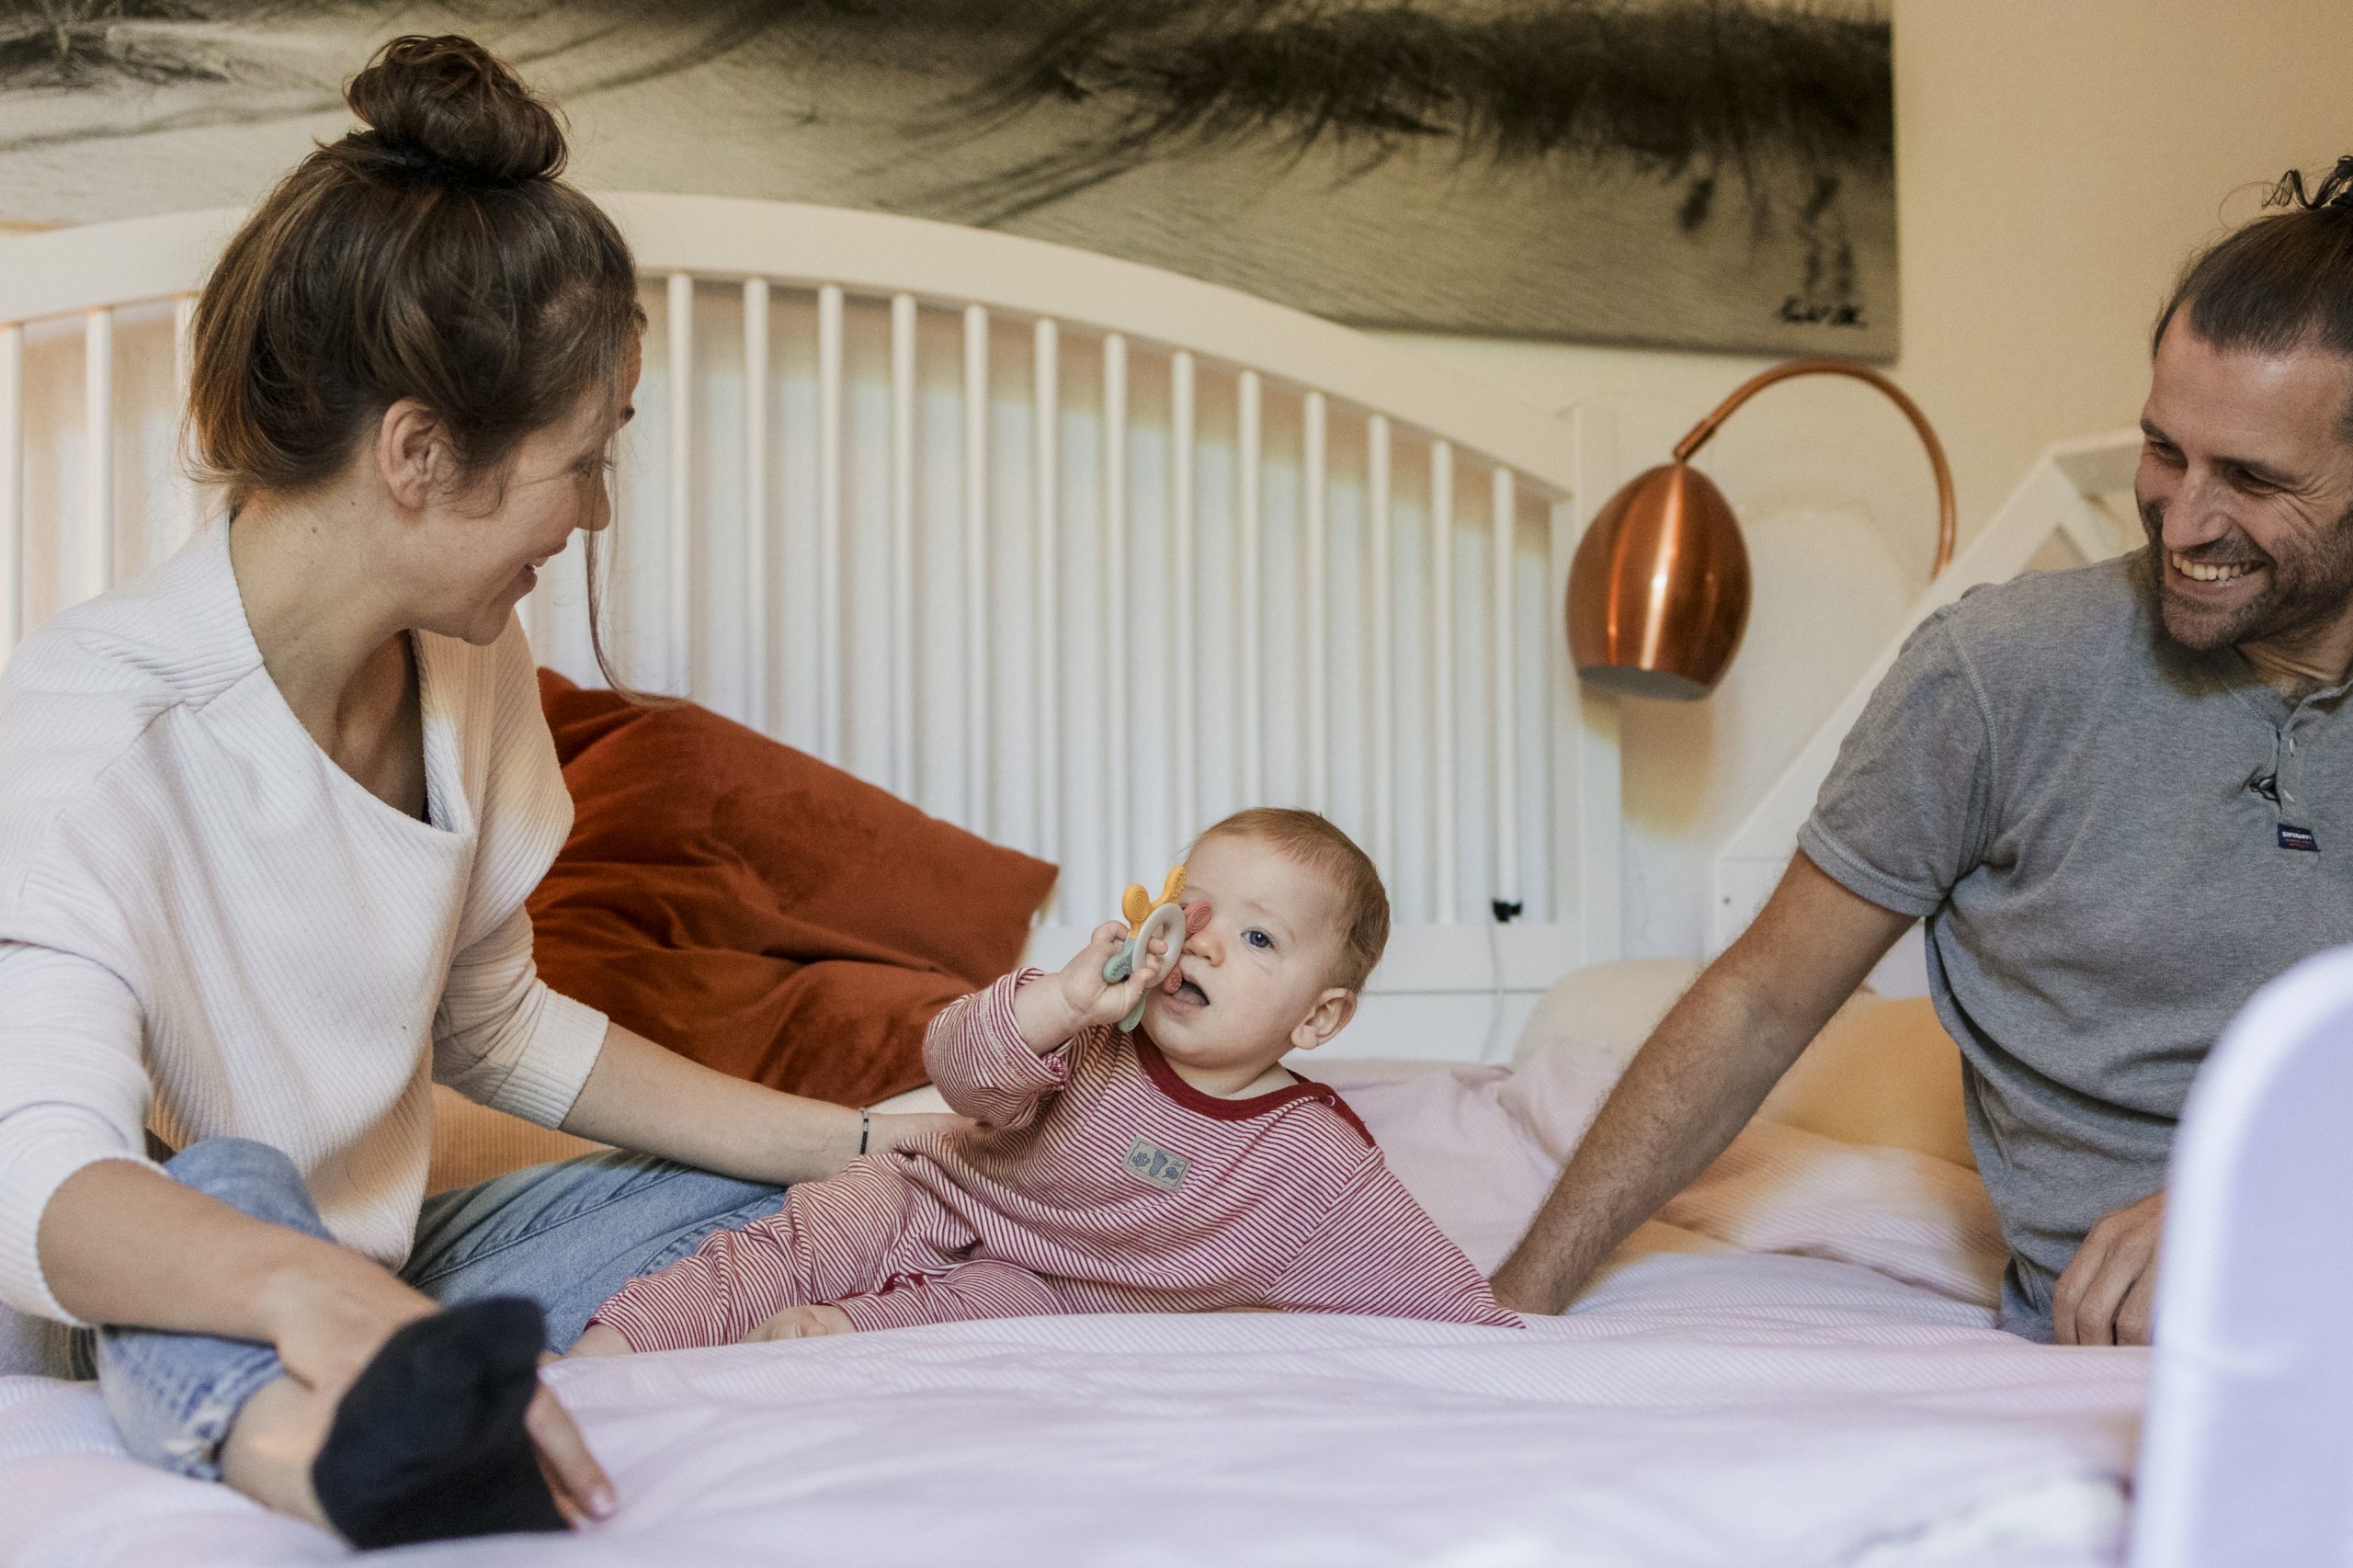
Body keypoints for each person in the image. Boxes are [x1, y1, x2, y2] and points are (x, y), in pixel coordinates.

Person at [0, 35, 950, 1551]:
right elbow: (40, 1177)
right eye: (585, 459)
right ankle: (322, 1452)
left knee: (808, 1210)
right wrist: (308, 1287)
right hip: (153, 1299)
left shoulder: (468, 659)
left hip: (383, 1266)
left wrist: (856, 1143)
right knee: (225, 1180)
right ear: (419, 453)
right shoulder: (95, 723)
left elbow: (492, 1026)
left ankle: (441, 1380)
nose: (597, 512)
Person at [1492, 156, 2353, 1348]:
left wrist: (2260, 1203)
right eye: (2164, 449)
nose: (2184, 519)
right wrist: (1510, 1301)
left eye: (2251, 478)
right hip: (2177, 1353)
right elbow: (1756, 1004)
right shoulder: (2003, 674)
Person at [570, 809, 1516, 1355]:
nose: (1207, 944)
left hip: (1060, 1291)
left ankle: (827, 1339)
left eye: (1260, 936)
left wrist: (1515, 1336)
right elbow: (958, 1070)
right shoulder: (1097, 1025)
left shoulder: (1311, 1163)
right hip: (939, 1191)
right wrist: (1057, 1002)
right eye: (1195, 910)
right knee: (788, 1246)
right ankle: (603, 1357)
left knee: (962, 1335)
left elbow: (1440, 1298)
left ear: (1318, 1018)